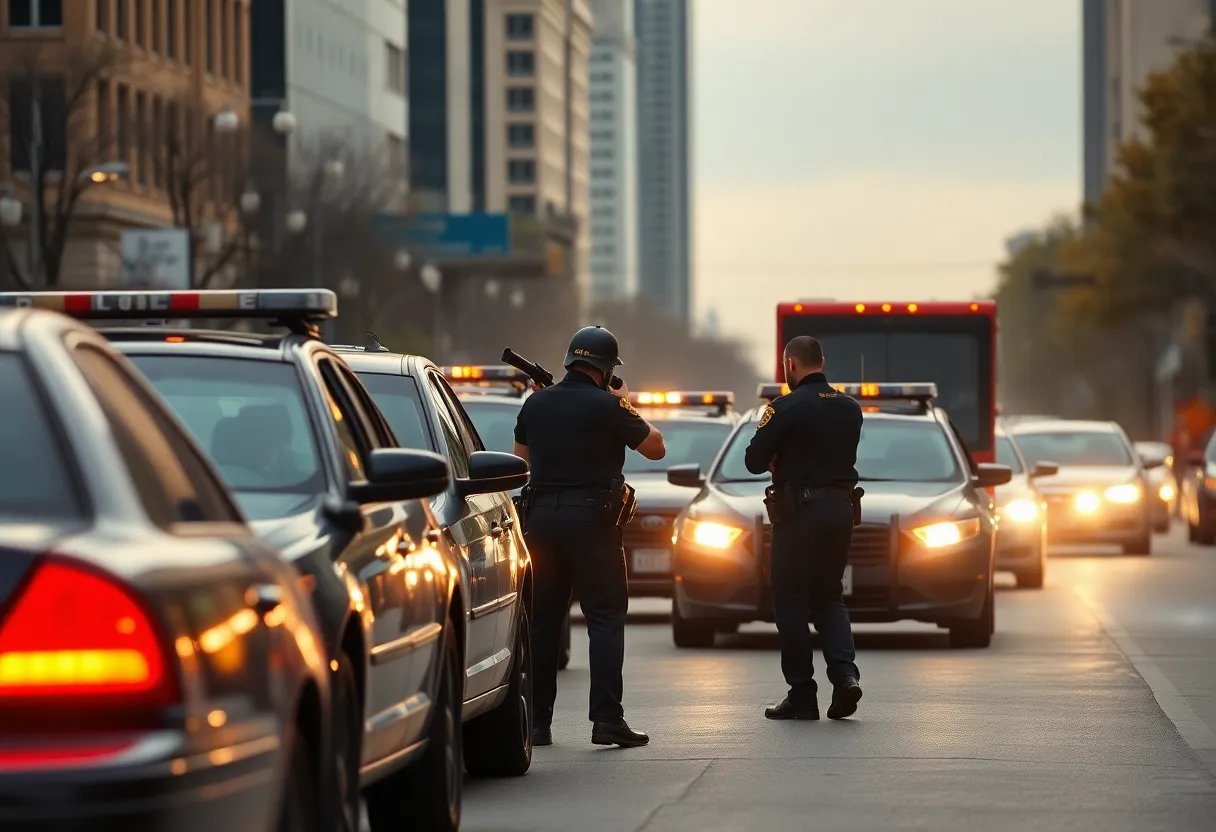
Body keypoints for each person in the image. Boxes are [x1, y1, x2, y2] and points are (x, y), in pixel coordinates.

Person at [513, 326, 666, 747]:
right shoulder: (610, 406)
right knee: (604, 618)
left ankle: (537, 722)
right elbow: (656, 447)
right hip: (593, 526)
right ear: (606, 370)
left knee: (543, 623)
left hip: (540, 523)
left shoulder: (535, 404)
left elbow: (519, 463)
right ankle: (606, 719)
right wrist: (625, 404)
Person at [744, 335, 864, 721]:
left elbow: (753, 460)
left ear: (789, 365)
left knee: (792, 599)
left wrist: (778, 455)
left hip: (799, 513)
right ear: (823, 362)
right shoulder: (850, 407)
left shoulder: (783, 407)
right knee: (829, 596)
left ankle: (802, 693)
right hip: (841, 509)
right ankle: (846, 678)